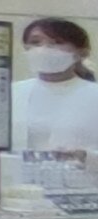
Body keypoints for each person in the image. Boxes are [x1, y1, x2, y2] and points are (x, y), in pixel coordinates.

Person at [13, 18, 98, 155]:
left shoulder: (94, 96)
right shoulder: (11, 93)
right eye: (35, 43)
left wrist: (86, 157)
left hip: (80, 174)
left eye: (57, 42)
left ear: (81, 53)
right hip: (15, 173)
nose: (44, 49)